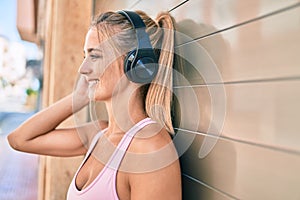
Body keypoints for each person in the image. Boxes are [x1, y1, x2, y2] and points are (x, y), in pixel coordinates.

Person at [7, 10, 181, 200]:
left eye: (95, 56)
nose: (83, 69)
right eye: (85, 57)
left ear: (136, 64)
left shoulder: (149, 148)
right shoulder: (98, 134)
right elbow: (19, 139)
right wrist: (79, 97)